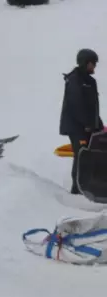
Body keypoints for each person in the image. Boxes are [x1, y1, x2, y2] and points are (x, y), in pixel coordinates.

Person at [60, 48, 103, 194]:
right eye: (93, 63)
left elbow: (92, 107)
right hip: (76, 127)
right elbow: (75, 104)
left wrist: (99, 125)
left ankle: (89, 187)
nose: (94, 67)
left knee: (89, 155)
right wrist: (86, 124)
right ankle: (76, 189)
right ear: (85, 63)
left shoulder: (90, 81)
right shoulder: (75, 79)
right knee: (81, 155)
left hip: (88, 126)